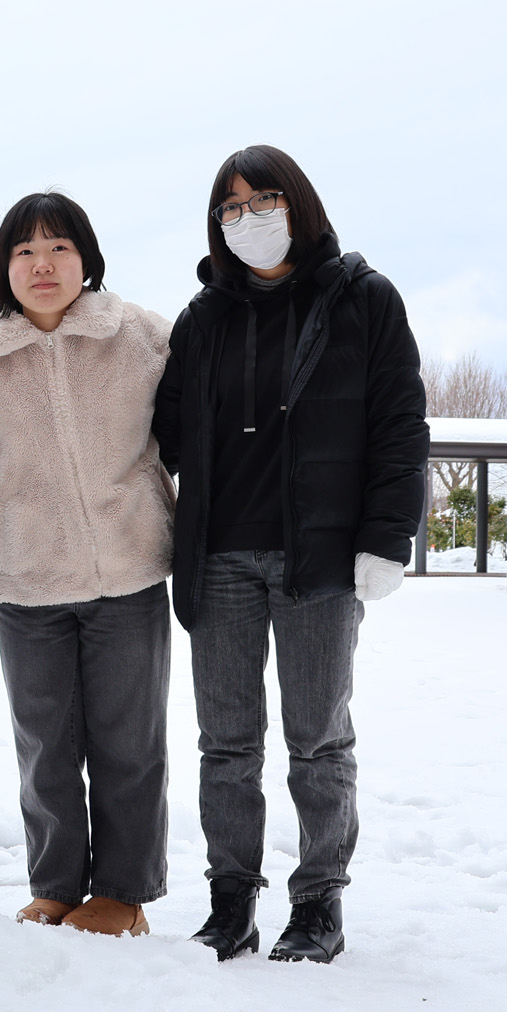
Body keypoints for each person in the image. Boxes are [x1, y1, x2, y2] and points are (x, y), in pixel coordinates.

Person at [154, 144, 427, 964]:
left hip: (319, 559)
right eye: (230, 208)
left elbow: (399, 427)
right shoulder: (202, 318)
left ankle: (318, 904)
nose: (248, 219)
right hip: (220, 558)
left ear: (298, 204)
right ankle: (231, 900)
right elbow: (164, 430)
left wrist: (386, 537)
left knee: (318, 740)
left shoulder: (364, 301)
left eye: (263, 200)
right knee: (226, 744)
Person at [0, 192, 175, 938]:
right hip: (25, 579)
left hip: (126, 571)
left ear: (86, 258)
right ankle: (58, 885)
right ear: (5, 267)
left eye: (60, 247)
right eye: (25, 250)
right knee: (44, 746)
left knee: (130, 743)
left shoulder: (141, 338)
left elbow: (204, 422)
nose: (43, 264)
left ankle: (124, 892)